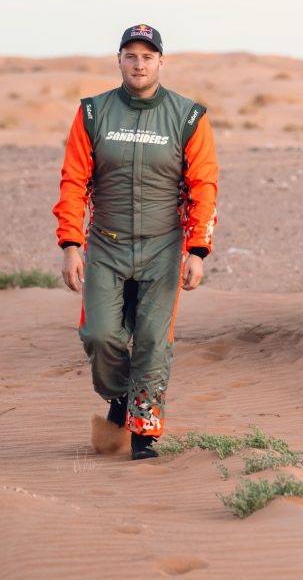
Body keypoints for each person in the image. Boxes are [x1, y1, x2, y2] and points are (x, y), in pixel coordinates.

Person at [53, 24, 218, 460]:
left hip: (163, 247)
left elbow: (203, 187)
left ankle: (144, 431)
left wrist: (197, 251)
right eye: (131, 56)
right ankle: (120, 395)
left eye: (147, 56)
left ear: (161, 61)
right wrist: (71, 244)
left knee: (152, 341)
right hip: (106, 245)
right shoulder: (93, 113)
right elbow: (73, 182)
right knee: (100, 335)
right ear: (119, 60)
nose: (139, 64)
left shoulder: (189, 116)